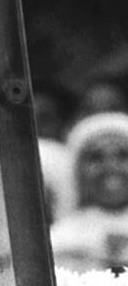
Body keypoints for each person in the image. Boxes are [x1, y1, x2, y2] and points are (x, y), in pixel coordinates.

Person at [50, 112, 128, 270]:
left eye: (123, 155)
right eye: (96, 157)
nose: (111, 167)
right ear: (77, 169)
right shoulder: (61, 237)